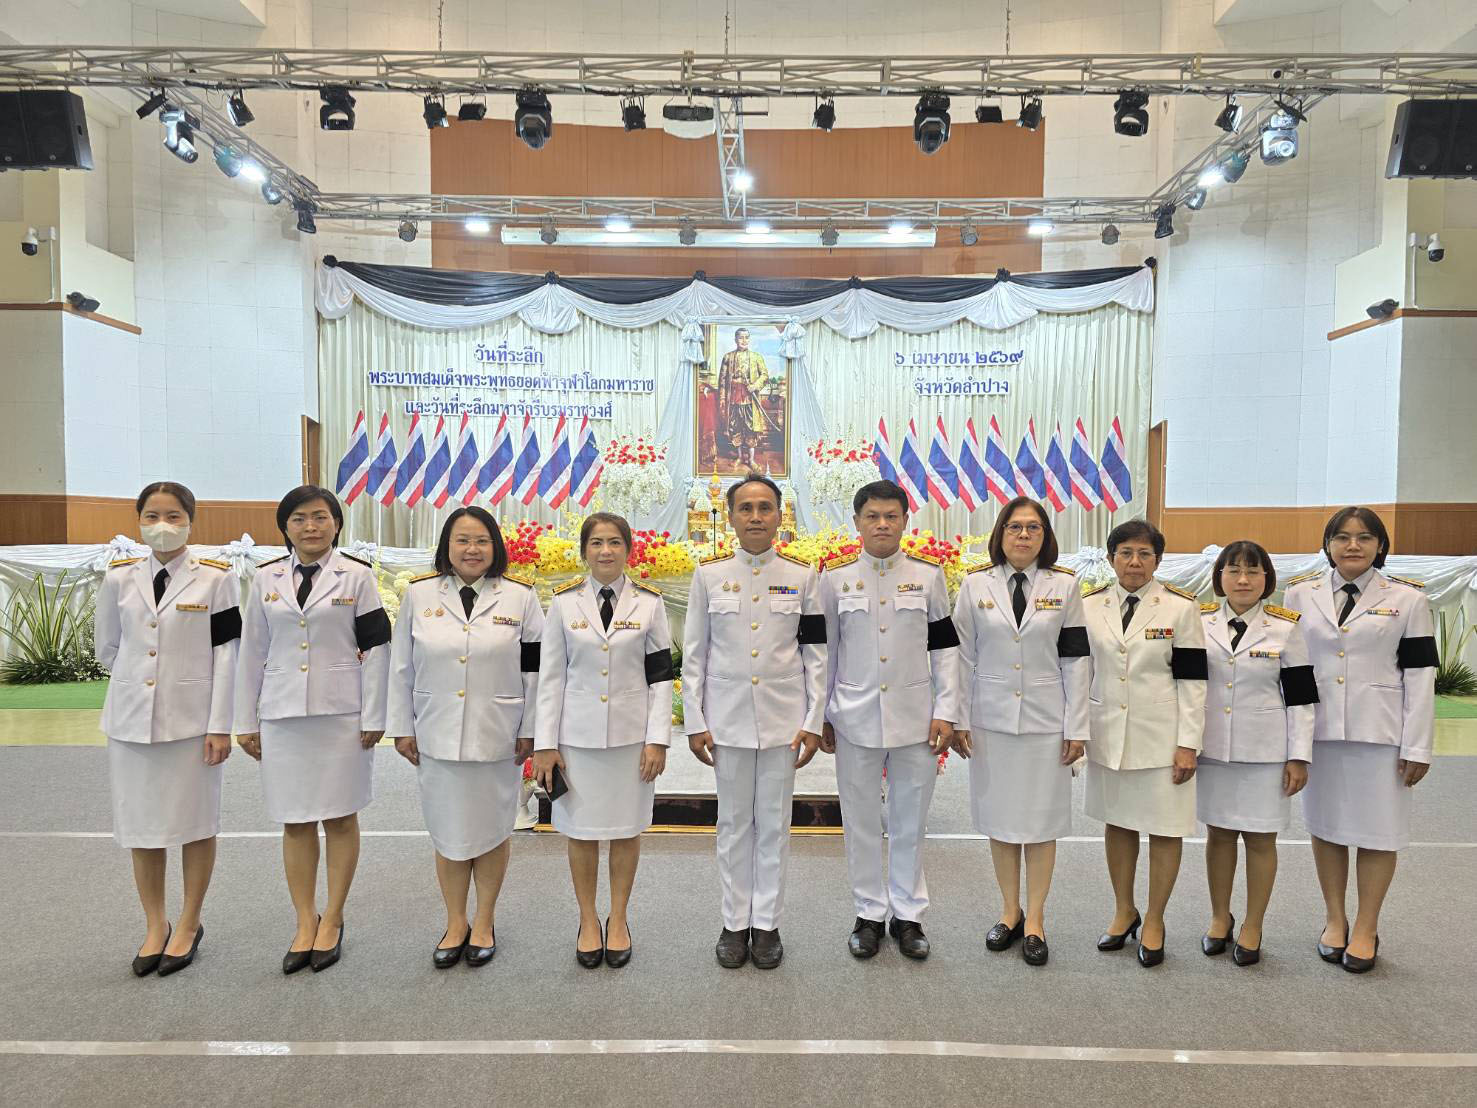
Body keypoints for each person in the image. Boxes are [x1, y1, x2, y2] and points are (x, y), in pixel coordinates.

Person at [234, 486, 391, 975]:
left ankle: (334, 917)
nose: (311, 526)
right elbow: (251, 651)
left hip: (342, 715)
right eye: (300, 518)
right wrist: (244, 720)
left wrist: (375, 714)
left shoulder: (358, 577)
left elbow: (378, 648)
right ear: (286, 527)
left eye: (321, 517)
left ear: (336, 524)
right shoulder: (265, 579)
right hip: (282, 716)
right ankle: (306, 920)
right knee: (295, 820)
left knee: (340, 817)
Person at [94, 482, 240, 977]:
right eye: (152, 516)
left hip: (193, 724)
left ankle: (189, 922)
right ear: (138, 521)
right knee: (142, 828)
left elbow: (227, 655)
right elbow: (108, 648)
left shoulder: (216, 578)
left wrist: (220, 724)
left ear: (190, 521)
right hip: (132, 722)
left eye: (174, 516)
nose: (162, 525)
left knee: (196, 825)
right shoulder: (118, 578)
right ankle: (155, 924)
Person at [387, 507, 543, 969]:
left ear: (495, 546)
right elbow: (401, 667)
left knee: (493, 830)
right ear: (447, 546)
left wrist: (532, 729)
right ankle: (455, 922)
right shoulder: (419, 595)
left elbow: (536, 672)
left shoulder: (521, 598)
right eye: (462, 540)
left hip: (499, 734)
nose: (472, 549)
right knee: (449, 832)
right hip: (437, 731)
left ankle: (484, 921)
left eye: (481, 540)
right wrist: (402, 726)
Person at [683, 474, 826, 970]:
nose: (756, 516)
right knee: (732, 825)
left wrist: (813, 718)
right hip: (727, 721)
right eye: (746, 508)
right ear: (731, 517)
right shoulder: (709, 576)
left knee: (774, 826)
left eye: (766, 507)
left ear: (780, 516)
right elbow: (695, 655)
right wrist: (695, 720)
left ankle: (766, 923)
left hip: (784, 721)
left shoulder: (803, 576)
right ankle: (733, 922)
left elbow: (816, 654)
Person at [1284, 507, 1436, 974]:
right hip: (1320, 732)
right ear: (1328, 544)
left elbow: (1420, 676)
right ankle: (1335, 919)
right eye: (1343, 537)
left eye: (1364, 537)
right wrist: (1293, 743)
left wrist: (1418, 745)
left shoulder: (1408, 599)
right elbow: (1293, 670)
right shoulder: (1299, 593)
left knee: (1378, 832)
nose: (1353, 545)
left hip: (1382, 734)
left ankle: (1367, 926)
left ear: (1380, 546)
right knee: (1326, 827)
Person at [820, 479, 959, 961]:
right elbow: (826, 653)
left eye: (891, 516)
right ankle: (868, 913)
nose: (882, 524)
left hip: (915, 718)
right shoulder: (834, 579)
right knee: (859, 820)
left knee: (909, 820)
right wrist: (821, 714)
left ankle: (908, 914)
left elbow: (945, 650)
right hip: (853, 717)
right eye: (872, 516)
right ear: (857, 522)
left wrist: (947, 710)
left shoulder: (928, 577)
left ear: (904, 521)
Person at [950, 497, 1089, 967]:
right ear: (1001, 534)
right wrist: (958, 718)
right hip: (990, 720)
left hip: (1046, 722)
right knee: (1002, 820)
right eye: (1015, 527)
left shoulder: (1064, 586)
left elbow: (1076, 660)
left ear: (1045, 536)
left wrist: (1077, 725)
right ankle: (1010, 912)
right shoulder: (975, 585)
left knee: (1041, 823)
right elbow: (960, 657)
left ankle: (1037, 920)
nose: (1024, 535)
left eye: (1033, 527)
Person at [532, 512, 674, 969]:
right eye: (596, 543)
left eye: (614, 542)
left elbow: (661, 678)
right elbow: (550, 678)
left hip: (632, 742)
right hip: (577, 740)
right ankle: (588, 919)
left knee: (627, 830)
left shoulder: (649, 603)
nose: (606, 551)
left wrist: (658, 739)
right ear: (584, 551)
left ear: (628, 549)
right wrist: (544, 744)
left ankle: (619, 917)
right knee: (581, 833)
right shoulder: (563, 603)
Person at [1082, 519, 1206, 968]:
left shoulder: (1180, 608)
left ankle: (1154, 918)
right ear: (1111, 557)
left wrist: (1188, 743)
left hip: (1162, 738)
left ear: (1158, 559)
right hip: (1108, 734)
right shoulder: (1088, 605)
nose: (1134, 562)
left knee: (1165, 829)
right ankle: (1123, 910)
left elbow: (1193, 682)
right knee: (1118, 824)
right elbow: (1081, 673)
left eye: (1144, 554)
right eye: (1126, 553)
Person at [1197, 541, 1318, 966]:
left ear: (1267, 579)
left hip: (1266, 752)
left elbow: (1301, 698)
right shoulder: (1199, 622)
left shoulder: (1286, 628)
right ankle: (1219, 917)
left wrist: (1299, 755)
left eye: (1253, 571)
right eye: (1233, 570)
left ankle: (1253, 924)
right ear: (1220, 577)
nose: (1243, 579)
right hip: (1213, 749)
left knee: (1261, 839)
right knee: (1218, 835)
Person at [716, 327, 772, 469]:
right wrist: (722, 398)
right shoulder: (728, 357)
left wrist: (755, 385)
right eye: (741, 337)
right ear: (735, 339)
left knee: (750, 429)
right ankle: (740, 457)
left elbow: (765, 375)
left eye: (746, 337)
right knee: (735, 428)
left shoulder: (756, 357)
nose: (744, 340)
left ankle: (751, 460)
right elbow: (722, 380)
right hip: (733, 399)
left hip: (750, 400)